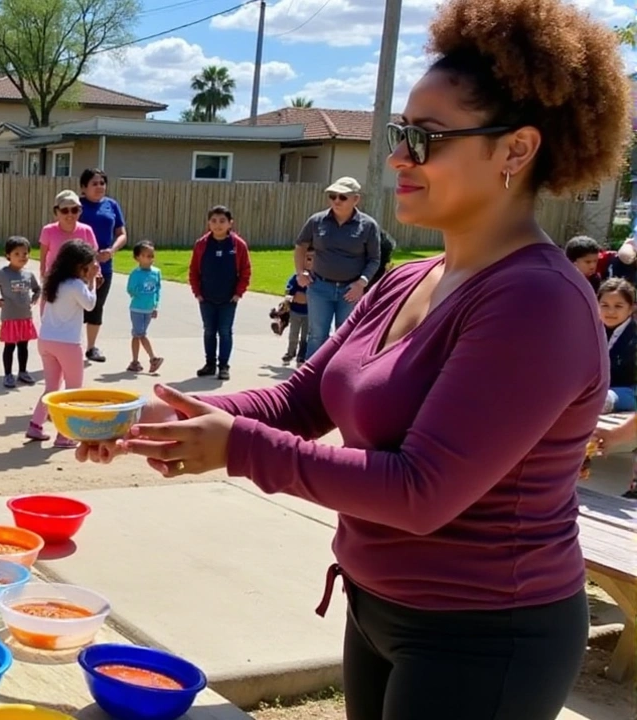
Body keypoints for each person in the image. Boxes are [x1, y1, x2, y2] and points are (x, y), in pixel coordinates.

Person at [77, 0, 630, 715]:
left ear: (516, 150)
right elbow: (302, 400)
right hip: (377, 606)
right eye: (401, 133)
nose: (397, 157)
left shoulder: (536, 302)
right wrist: (163, 414)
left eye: (425, 139)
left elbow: (422, 491)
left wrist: (239, 447)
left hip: (485, 635)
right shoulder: (410, 276)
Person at [293, 176, 384, 355]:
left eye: (342, 197)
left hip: (350, 291)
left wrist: (361, 283)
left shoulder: (368, 225)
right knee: (317, 335)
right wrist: (300, 273)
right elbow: (300, 245)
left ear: (356, 199)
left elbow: (374, 259)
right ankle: (312, 379)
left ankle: (338, 378)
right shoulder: (317, 220)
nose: (336, 200)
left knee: (346, 335)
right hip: (319, 287)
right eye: (332, 196)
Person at [27, 240, 99, 449]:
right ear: (79, 266)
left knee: (51, 388)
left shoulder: (53, 281)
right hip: (68, 344)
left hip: (46, 341)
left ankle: (36, 424)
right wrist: (92, 281)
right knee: (72, 391)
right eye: (87, 265)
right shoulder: (76, 284)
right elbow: (90, 304)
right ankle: (64, 435)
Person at [188, 206, 251, 380]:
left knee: (225, 331)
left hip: (229, 298)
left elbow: (246, 271)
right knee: (209, 331)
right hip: (206, 297)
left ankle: (224, 366)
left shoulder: (238, 245)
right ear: (209, 223)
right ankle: (210, 364)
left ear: (230, 223)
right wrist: (198, 293)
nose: (218, 225)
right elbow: (193, 271)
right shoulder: (201, 245)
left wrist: (238, 293)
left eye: (222, 221)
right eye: (214, 221)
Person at [78, 168, 129, 363]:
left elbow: (122, 234)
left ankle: (91, 348)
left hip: (104, 266)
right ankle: (71, 345)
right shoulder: (77, 206)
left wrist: (112, 251)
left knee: (96, 306)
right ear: (84, 187)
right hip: (80, 266)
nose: (99, 187)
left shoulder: (112, 205)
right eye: (94, 183)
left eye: (102, 183)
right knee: (76, 306)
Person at [0, 236, 41, 388]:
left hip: (25, 316)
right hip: (10, 317)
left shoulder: (28, 274)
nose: (22, 257)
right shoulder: (2, 274)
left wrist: (35, 298)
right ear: (8, 255)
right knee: (10, 346)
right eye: (17, 254)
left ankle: (23, 372)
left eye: (25, 254)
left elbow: (37, 289)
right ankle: (8, 374)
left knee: (23, 346)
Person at [38, 190, 98, 294]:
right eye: (65, 210)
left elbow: (93, 258)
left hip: (79, 282)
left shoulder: (87, 230)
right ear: (56, 212)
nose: (70, 214)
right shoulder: (48, 231)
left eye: (74, 210)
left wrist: (94, 278)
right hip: (54, 282)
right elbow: (43, 258)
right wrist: (43, 278)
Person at [599, 278, 637, 413]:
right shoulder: (591, 331)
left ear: (631, 308)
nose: (610, 312)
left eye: (618, 306)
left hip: (627, 393)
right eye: (604, 305)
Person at [126, 240, 163, 374]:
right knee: (141, 334)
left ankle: (134, 362)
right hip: (137, 308)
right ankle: (153, 358)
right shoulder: (135, 274)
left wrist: (155, 306)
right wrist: (140, 293)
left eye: (152, 256)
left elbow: (158, 290)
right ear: (138, 258)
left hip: (149, 309)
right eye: (146, 256)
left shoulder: (156, 272)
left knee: (137, 335)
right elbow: (130, 289)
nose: (150, 259)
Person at [282, 247, 314, 365]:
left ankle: (302, 355)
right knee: (293, 334)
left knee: (305, 336)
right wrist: (287, 302)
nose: (309, 262)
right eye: (307, 258)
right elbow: (290, 289)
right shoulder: (297, 277)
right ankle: (290, 353)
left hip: (309, 313)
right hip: (295, 311)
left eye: (312, 259)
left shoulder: (316, 278)